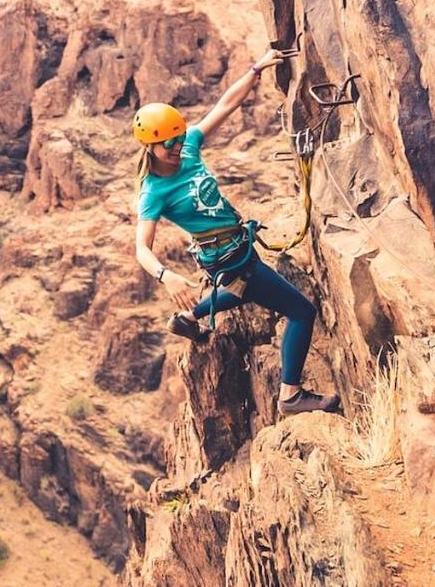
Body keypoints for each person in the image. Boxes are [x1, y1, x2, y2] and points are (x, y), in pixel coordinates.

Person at [132, 48, 339, 416]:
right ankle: (290, 395)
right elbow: (142, 249)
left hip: (236, 247)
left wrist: (256, 69)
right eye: (168, 143)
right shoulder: (153, 192)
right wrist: (167, 277)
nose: (177, 147)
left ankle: (190, 317)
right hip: (228, 259)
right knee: (301, 312)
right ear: (149, 145)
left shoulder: (189, 150)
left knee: (242, 294)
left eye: (179, 139)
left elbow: (224, 106)